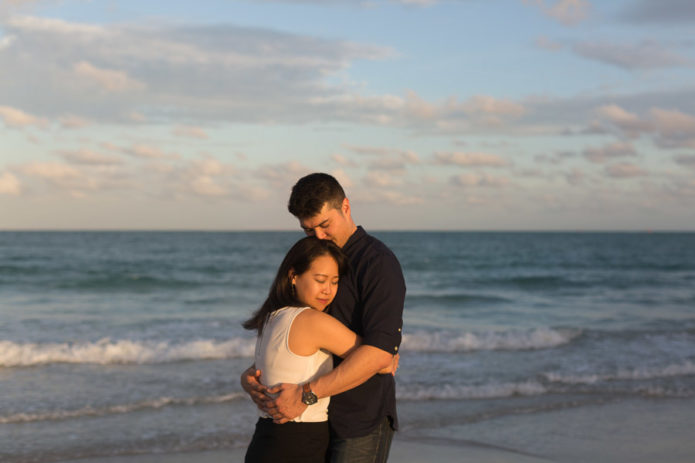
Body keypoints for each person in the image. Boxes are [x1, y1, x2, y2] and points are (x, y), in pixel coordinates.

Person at [242, 173, 406, 463]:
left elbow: (380, 354)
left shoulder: (377, 263)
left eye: (324, 225)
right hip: (314, 421)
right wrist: (255, 375)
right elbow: (296, 335)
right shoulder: (315, 260)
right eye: (308, 230)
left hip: (359, 419)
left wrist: (305, 394)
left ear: (345, 207)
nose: (318, 236)